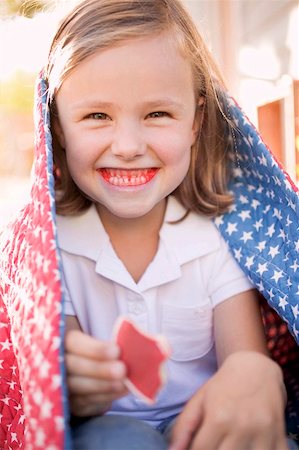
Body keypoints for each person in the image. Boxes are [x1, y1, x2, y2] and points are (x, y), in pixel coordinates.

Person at [42, 0, 297, 449]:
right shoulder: (53, 249)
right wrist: (67, 377)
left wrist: (256, 376)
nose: (127, 146)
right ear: (59, 127)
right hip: (101, 430)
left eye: (157, 113)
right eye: (96, 116)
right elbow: (58, 381)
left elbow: (245, 363)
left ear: (196, 121)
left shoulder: (219, 237)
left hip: (201, 422)